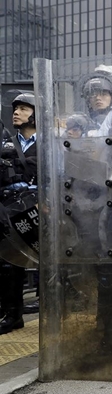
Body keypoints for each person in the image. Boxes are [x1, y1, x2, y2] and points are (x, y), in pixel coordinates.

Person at [0, 92, 38, 334]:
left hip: (39, 210)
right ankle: (12, 313)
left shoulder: (50, 144)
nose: (16, 112)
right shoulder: (5, 142)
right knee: (7, 262)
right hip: (10, 211)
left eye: (24, 108)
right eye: (16, 108)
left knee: (49, 262)